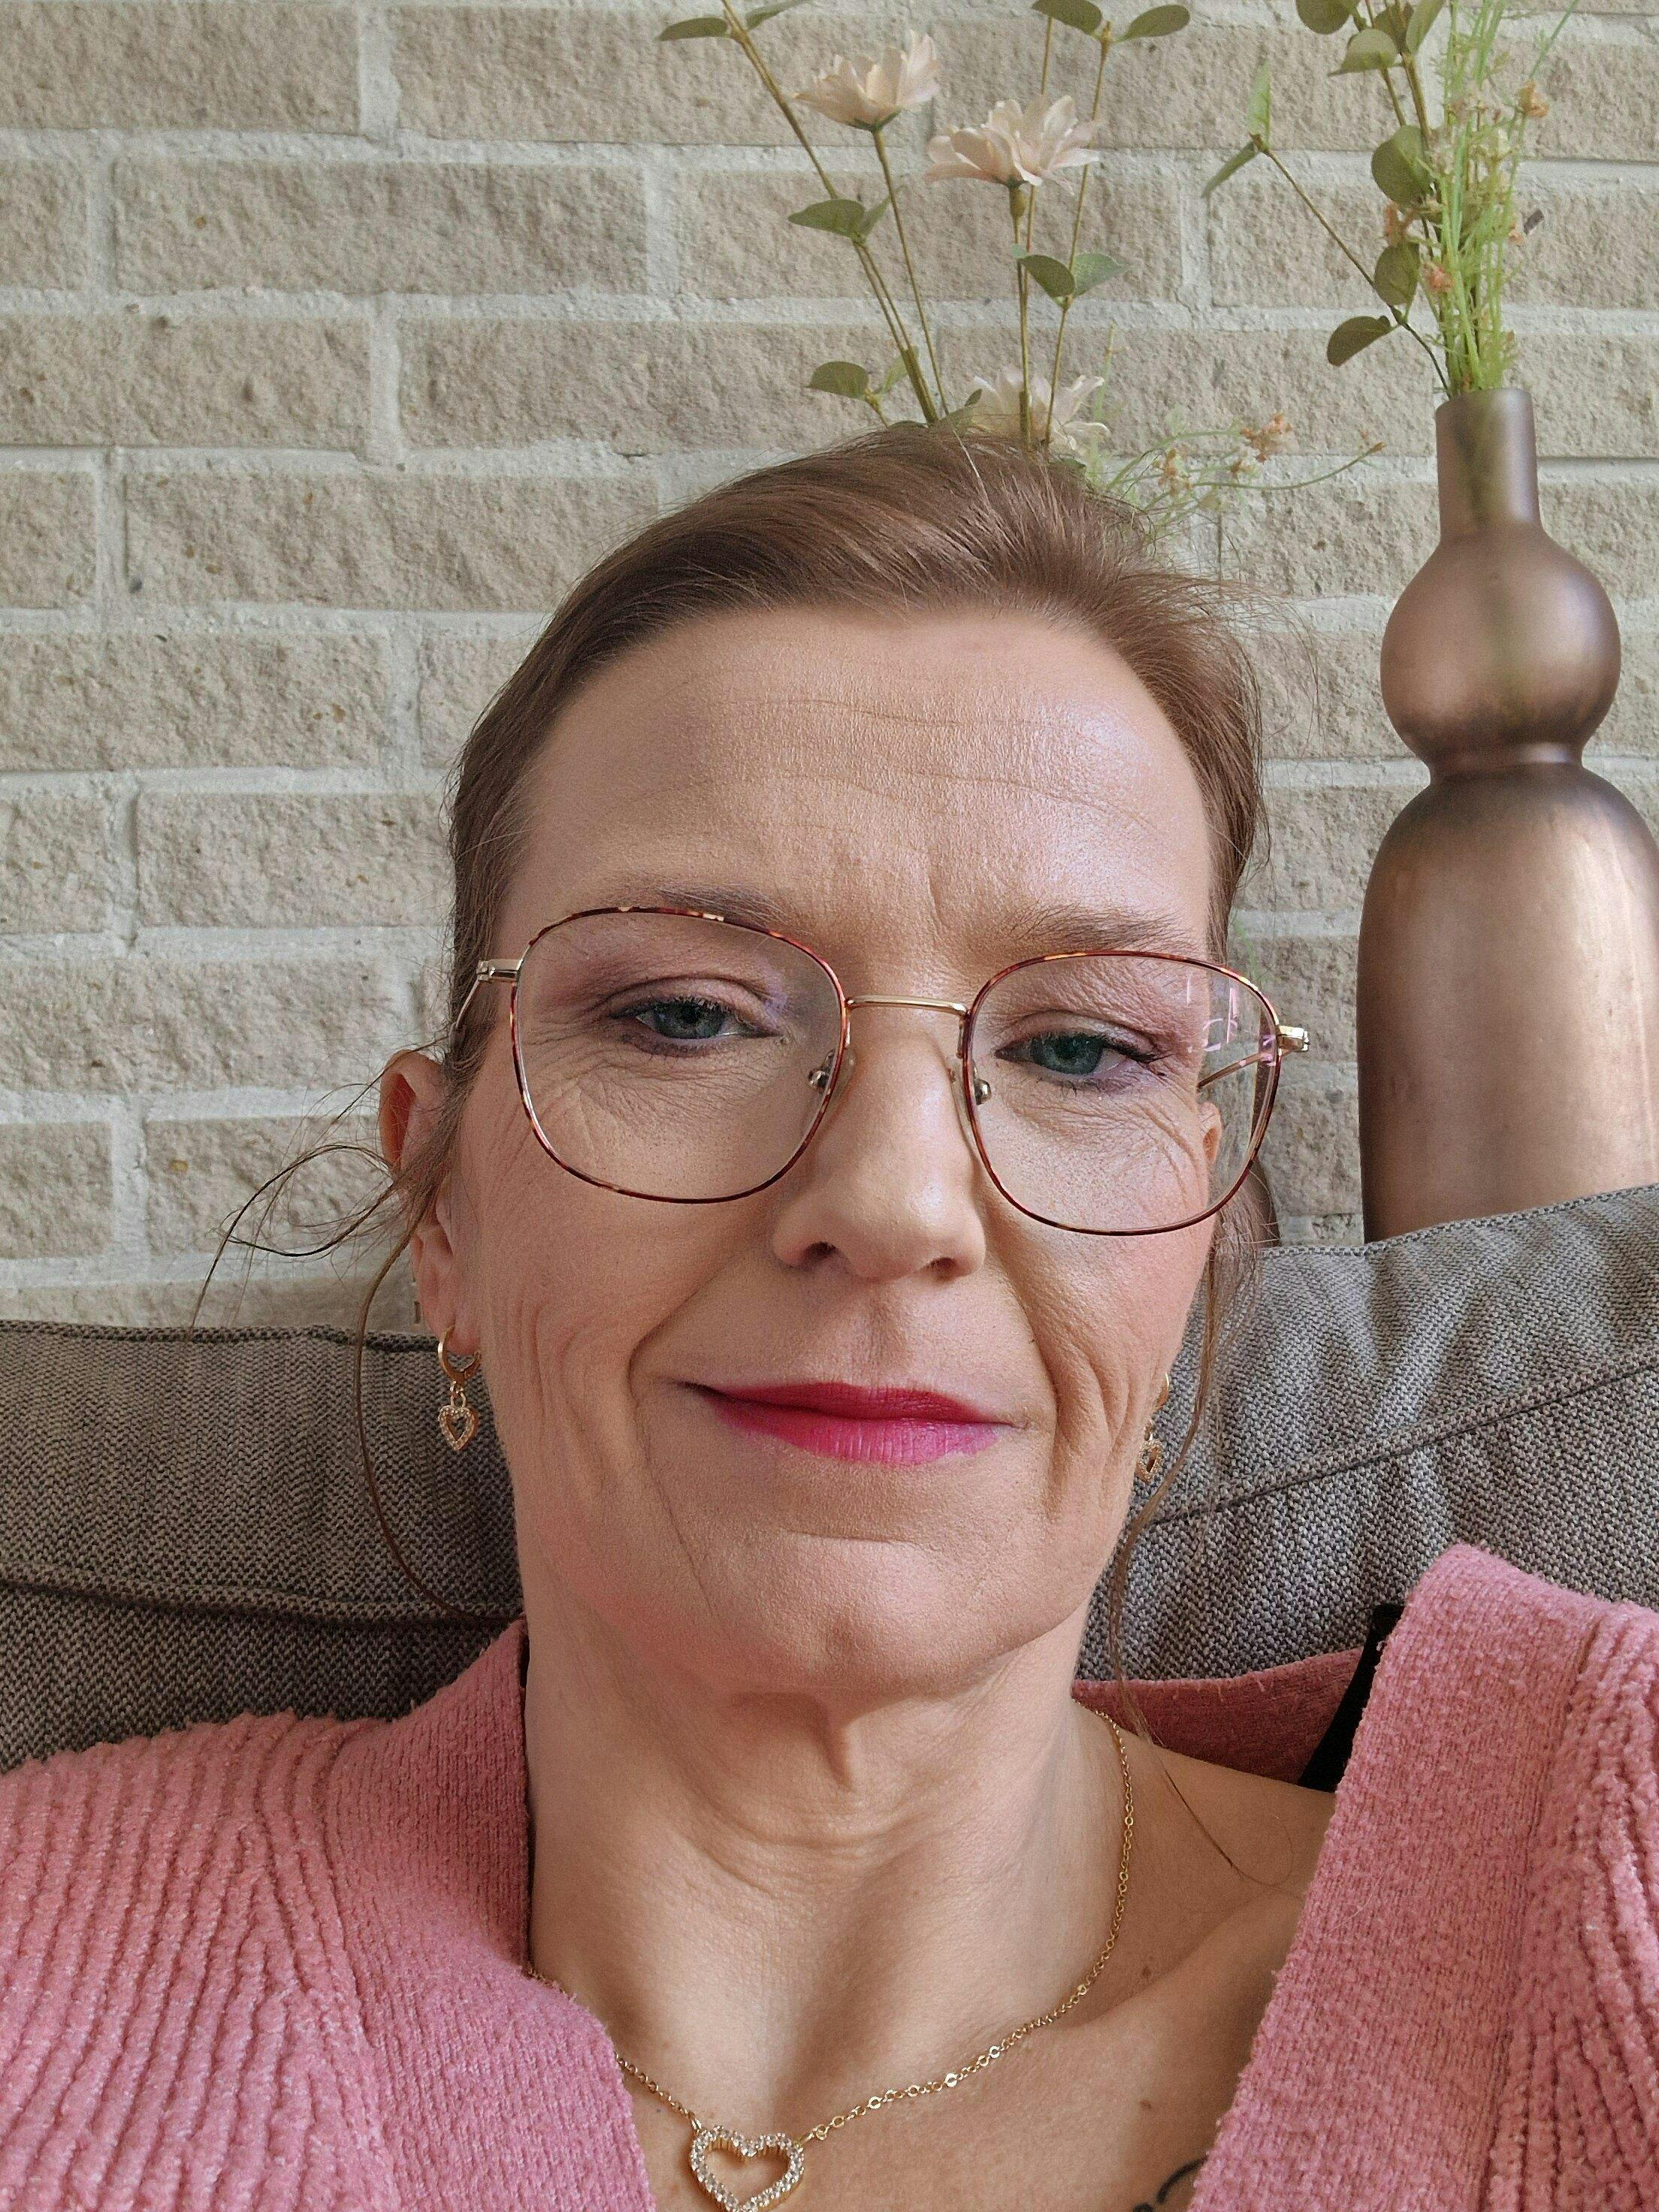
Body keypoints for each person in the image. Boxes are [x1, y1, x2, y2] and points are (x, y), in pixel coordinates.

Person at [2, 424, 1657, 2212]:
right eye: (688, 1015)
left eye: (1080, 1045)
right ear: (444, 1211)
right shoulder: (45, 1962)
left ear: (1195, 1232)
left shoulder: (1611, 1856)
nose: (892, 1202)